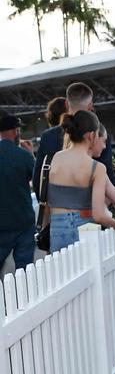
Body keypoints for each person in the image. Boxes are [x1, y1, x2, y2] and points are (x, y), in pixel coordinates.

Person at [48, 110, 115, 252]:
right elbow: (99, 215)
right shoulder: (96, 168)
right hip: (84, 227)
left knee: (61, 273)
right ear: (91, 135)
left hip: (56, 228)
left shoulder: (53, 159)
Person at [33, 81, 115, 190]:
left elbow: (38, 180)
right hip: (89, 203)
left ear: (67, 104)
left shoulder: (47, 136)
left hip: (55, 204)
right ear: (90, 106)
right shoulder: (100, 134)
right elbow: (108, 179)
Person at [0, 114, 36, 272]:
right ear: (16, 131)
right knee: (25, 271)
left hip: (1, 224)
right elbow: (39, 181)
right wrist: (31, 155)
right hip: (23, 222)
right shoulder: (23, 155)